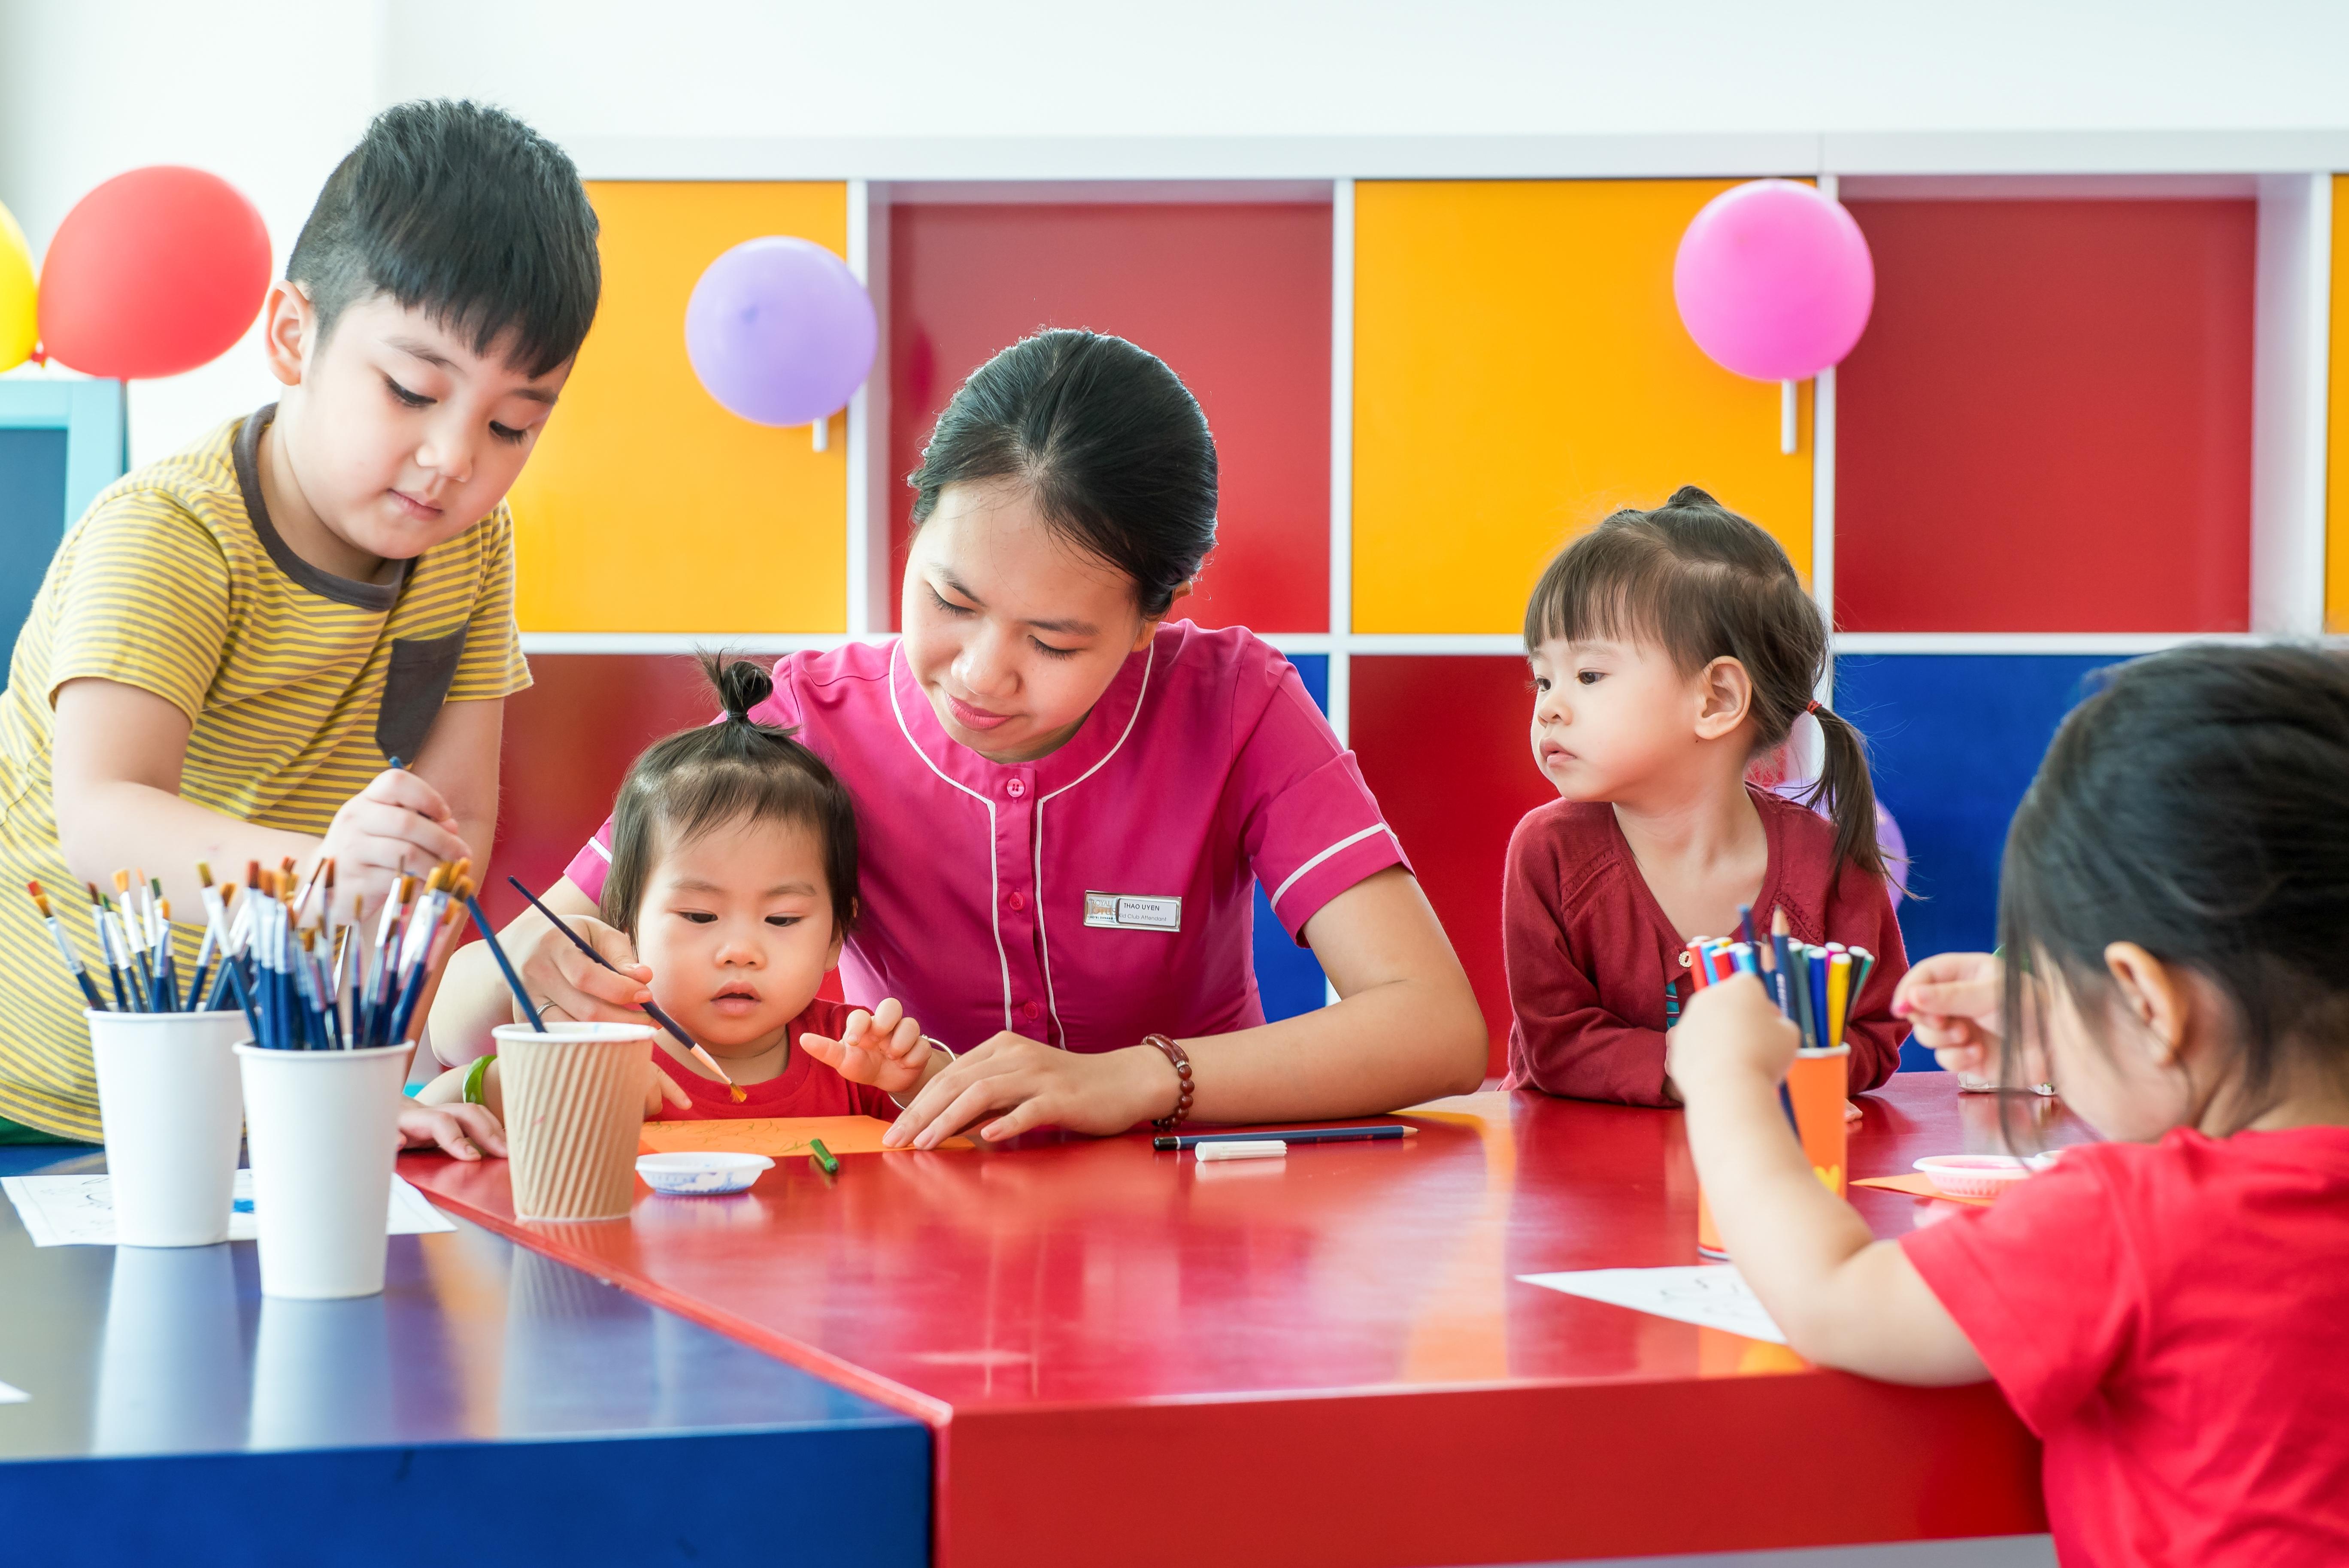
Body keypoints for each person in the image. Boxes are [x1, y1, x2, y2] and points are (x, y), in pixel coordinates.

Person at [431, 329, 1487, 1145]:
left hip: (1188, 1205)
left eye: (1056, 640)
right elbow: (473, 1013)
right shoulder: (806, 718)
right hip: (907, 1197)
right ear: (915, 525)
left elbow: (1434, 1027)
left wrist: (1132, 1078)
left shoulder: (1234, 702)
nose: (982, 673)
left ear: (1147, 622)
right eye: (949, 598)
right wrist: (508, 978)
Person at [0, 99, 600, 1156]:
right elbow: (105, 821)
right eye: (413, 391)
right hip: (40, 1089)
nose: (455, 457)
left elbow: (448, 835)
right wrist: (325, 876)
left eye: (512, 425)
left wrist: (372, 1073)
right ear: (293, 335)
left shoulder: (469, 545)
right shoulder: (172, 533)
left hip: (257, 1100)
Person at [1671, 645, 2349, 1566]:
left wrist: (1725, 1084)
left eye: (2060, 988)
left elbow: (1837, 1301)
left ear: (2147, 1003)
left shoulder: (2135, 1223)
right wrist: (2059, 1028)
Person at [1500, 486, 1906, 1106]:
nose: (1549, 707)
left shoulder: (1829, 861)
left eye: (1588, 675)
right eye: (1543, 678)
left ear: (1716, 698)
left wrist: (1791, 1071)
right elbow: (1554, 1043)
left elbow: (1875, 1033)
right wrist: (1704, 1071)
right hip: (1581, 1183)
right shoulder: (1547, 852)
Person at [418, 656, 946, 1121]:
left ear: (836, 935)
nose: (740, 952)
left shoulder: (852, 1053)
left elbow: (974, 1143)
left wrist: (913, 1079)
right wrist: (517, 1083)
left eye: (782, 919)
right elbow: (429, 1110)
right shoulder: (598, 1047)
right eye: (698, 916)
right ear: (625, 925)